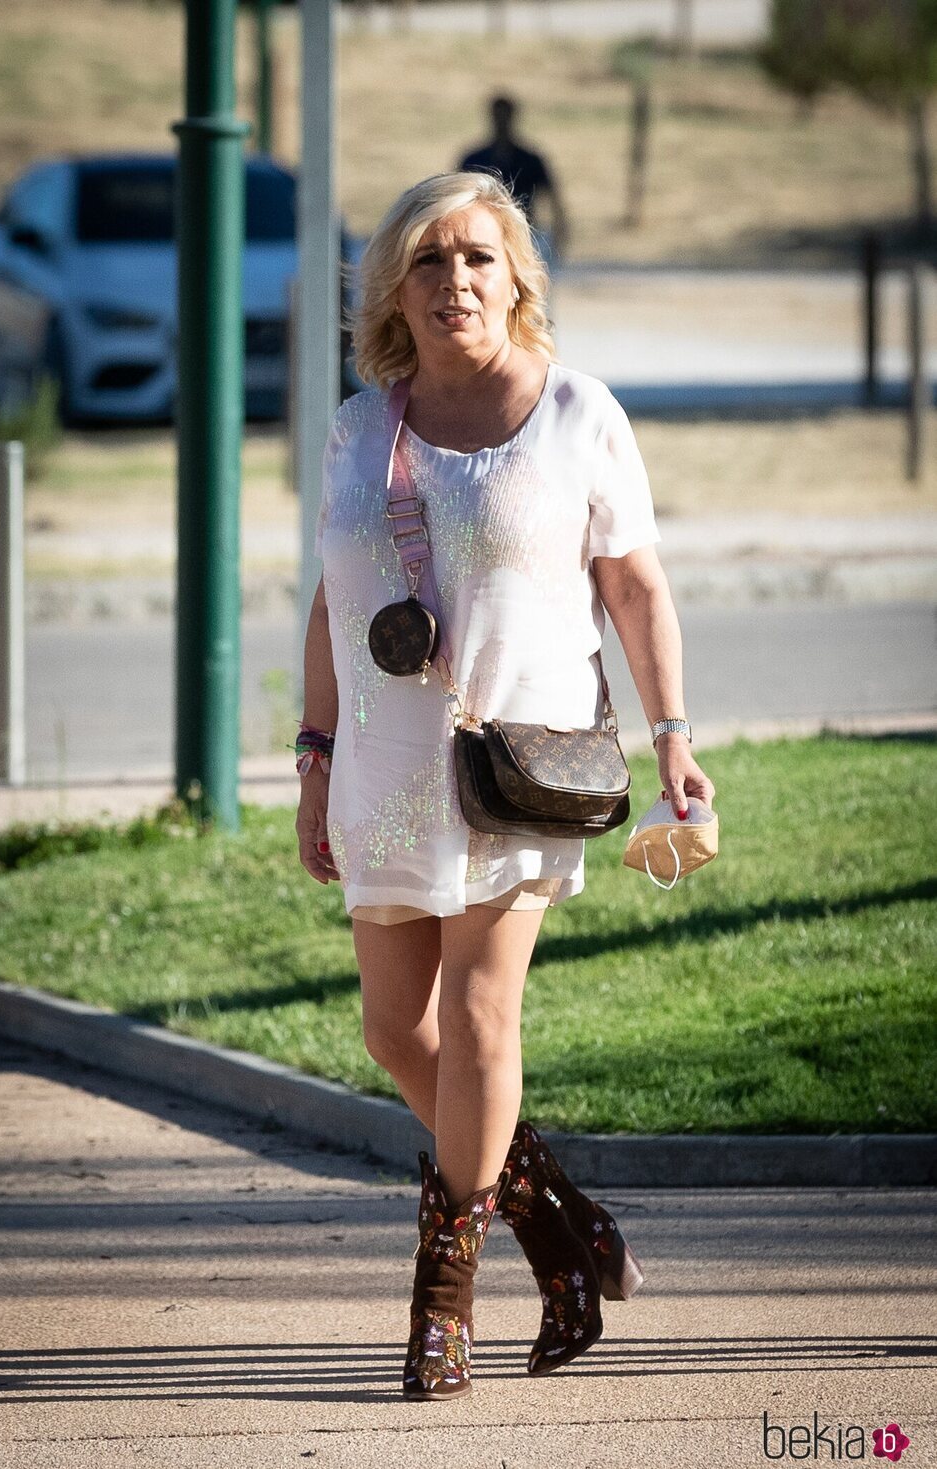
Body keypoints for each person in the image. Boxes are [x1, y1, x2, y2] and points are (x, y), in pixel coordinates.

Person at [295, 170, 715, 1401]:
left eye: (476, 257)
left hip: (514, 770)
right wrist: (311, 760)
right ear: (395, 288)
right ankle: (564, 1223)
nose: (453, 282)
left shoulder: (577, 413)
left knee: (481, 1021)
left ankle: (442, 1299)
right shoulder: (357, 427)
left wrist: (674, 735)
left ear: (516, 275)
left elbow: (635, 588)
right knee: (393, 1030)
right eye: (427, 261)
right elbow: (332, 600)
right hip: (381, 765)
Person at [458, 95, 569, 268]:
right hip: (481, 232)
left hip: (526, 233)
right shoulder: (474, 159)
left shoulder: (530, 159)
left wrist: (560, 229)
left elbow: (552, 195)